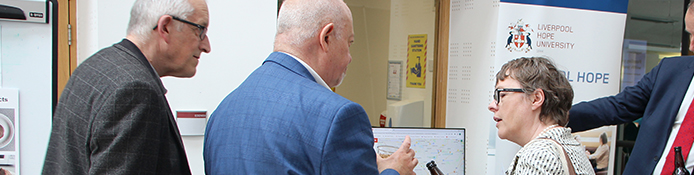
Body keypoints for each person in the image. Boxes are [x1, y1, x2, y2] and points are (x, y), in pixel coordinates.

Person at [202, 0, 417, 174]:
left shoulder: (222, 113)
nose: (350, 58)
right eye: (349, 43)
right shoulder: (339, 117)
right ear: (326, 37)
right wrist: (396, 171)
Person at [566, 0, 694, 174]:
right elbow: (618, 106)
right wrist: (555, 117)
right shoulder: (669, 70)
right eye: (690, 34)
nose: (692, 45)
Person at [42, 0, 211, 174]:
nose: (207, 46)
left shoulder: (93, 67)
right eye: (200, 30)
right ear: (166, 27)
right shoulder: (135, 90)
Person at [488, 57, 596, 175]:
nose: (492, 105)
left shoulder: (539, 155)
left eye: (502, 95)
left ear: (536, 99)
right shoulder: (571, 146)